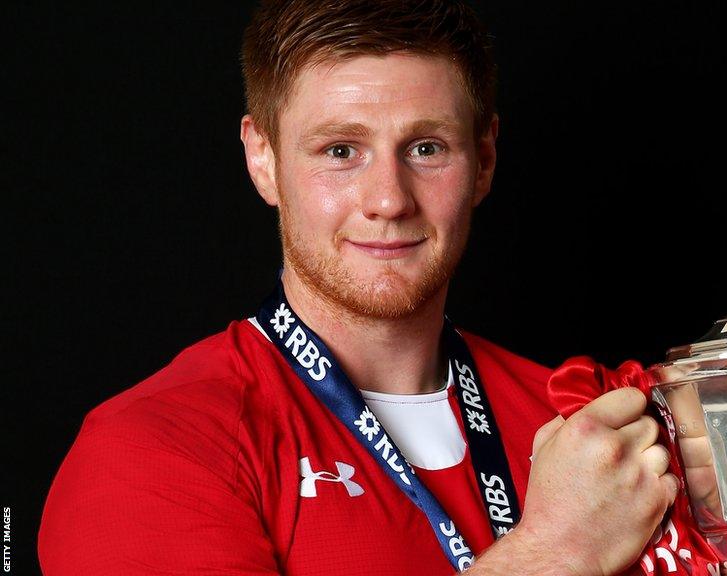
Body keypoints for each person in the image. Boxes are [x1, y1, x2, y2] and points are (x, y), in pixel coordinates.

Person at [37, 1, 679, 574]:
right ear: (262, 159)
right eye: (341, 151)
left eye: (427, 148)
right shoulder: (150, 451)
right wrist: (555, 552)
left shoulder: (583, 424)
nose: (388, 199)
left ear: (484, 159)